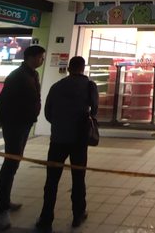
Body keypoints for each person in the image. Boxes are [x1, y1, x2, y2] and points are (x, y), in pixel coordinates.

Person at [35, 56, 98, 233]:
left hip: (58, 139)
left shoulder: (57, 86)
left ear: (69, 68)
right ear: (83, 68)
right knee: (78, 178)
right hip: (79, 140)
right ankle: (78, 214)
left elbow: (47, 113)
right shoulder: (89, 86)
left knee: (51, 180)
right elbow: (95, 110)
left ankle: (46, 218)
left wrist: (60, 124)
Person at [0, 44, 46, 230]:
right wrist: (8, 120)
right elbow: (1, 103)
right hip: (15, 124)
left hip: (24, 123)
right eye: (41, 57)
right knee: (10, 163)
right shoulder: (17, 76)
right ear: (32, 57)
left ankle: (3, 200)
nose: (42, 60)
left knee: (13, 163)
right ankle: (0, 208)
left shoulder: (32, 74)